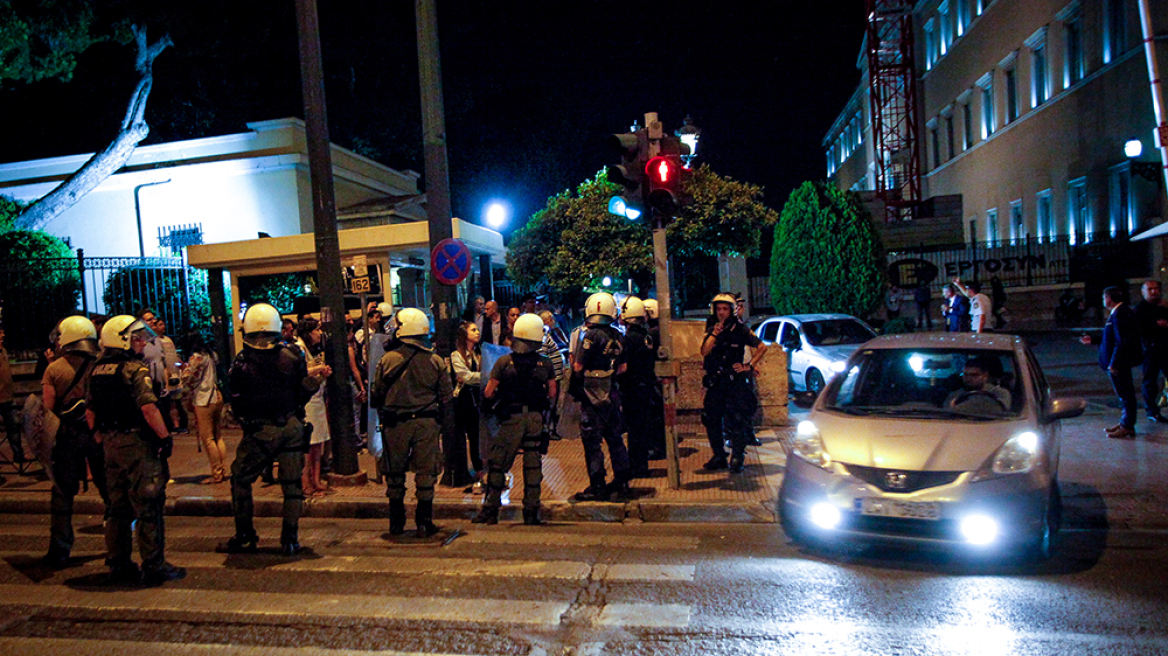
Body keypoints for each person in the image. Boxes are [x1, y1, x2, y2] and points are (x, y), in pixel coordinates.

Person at [86, 315, 185, 585]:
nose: (141, 342)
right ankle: (154, 565)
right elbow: (148, 408)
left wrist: (100, 437)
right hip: (137, 444)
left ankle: (119, 563)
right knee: (148, 504)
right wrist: (165, 437)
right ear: (122, 340)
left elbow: (90, 410)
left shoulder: (96, 369)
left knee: (117, 507)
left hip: (110, 443)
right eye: (136, 338)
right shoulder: (134, 369)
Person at [225, 303, 319, 556]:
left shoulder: (241, 363)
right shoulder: (294, 356)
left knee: (240, 479)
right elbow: (302, 393)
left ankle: (245, 535)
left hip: (260, 430)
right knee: (291, 486)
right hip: (291, 426)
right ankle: (290, 538)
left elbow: (236, 402)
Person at [370, 307, 454, 537]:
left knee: (394, 474)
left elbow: (376, 394)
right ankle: (424, 522)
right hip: (426, 424)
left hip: (395, 424)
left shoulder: (387, 360)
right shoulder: (436, 361)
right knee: (426, 475)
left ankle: (396, 523)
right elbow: (446, 397)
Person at [472, 313, 556, 525]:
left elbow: (489, 392)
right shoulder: (545, 364)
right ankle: (531, 512)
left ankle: (490, 510)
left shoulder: (503, 362)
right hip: (535, 418)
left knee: (499, 463)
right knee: (533, 465)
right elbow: (553, 393)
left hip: (511, 418)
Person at [40, 316, 107, 567]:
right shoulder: (100, 364)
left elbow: (48, 409)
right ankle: (118, 545)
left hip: (67, 436)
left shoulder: (54, 369)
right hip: (95, 433)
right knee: (108, 491)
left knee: (62, 494)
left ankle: (60, 550)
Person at [569, 292, 632, 501]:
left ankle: (598, 485)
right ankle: (622, 483)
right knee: (616, 439)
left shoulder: (589, 336)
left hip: (591, 394)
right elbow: (623, 368)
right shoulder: (619, 335)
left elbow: (577, 366)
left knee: (592, 441)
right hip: (612, 391)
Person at [700, 293, 767, 474]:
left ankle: (737, 457)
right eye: (719, 309)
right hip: (716, 380)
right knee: (711, 417)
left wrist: (749, 366)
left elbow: (762, 347)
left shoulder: (740, 329)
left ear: (731, 310)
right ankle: (719, 456)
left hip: (734, 380)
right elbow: (704, 351)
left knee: (737, 418)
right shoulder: (711, 326)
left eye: (725, 309)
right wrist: (714, 333)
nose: (722, 313)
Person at [1081, 287, 1143, 439]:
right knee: (1124, 393)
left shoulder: (1120, 314)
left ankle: (1127, 425)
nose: (1103, 300)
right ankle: (1124, 422)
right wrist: (1094, 340)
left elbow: (1121, 341)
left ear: (1109, 298)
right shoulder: (1118, 313)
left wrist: (1114, 363)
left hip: (1119, 364)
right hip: (1118, 362)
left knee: (1125, 394)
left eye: (1104, 297)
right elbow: (1110, 336)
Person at [618, 297, 658, 478]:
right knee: (643, 428)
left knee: (634, 430)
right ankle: (642, 464)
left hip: (632, 389)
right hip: (646, 387)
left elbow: (623, 366)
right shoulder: (647, 337)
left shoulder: (628, 339)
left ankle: (636, 467)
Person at [180, 331, 227, 485]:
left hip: (203, 399)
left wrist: (184, 371)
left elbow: (189, 378)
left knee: (208, 438)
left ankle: (217, 473)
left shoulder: (196, 357)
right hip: (216, 397)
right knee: (217, 436)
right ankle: (223, 469)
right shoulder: (212, 355)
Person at [294, 317, 334, 497]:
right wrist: (319, 369)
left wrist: (323, 372)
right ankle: (305, 483)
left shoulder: (312, 349)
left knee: (319, 443)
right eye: (316, 330)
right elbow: (300, 371)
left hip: (317, 399)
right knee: (309, 445)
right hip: (307, 402)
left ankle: (316, 480)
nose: (319, 333)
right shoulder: (298, 348)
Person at [451, 320, 483, 484]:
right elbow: (466, 377)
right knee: (465, 437)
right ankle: (468, 472)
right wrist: (484, 377)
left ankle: (479, 470)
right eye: (473, 330)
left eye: (477, 330)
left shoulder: (477, 354)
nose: (477, 332)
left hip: (476, 399)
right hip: (462, 400)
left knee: (477, 436)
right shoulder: (456, 355)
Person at [1134, 280, 1168, 424]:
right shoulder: (1139, 310)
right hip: (1150, 351)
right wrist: (1155, 325)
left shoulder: (1164, 307)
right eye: (1150, 289)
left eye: (1156, 289)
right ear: (1143, 292)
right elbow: (1138, 329)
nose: (1154, 292)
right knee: (1150, 382)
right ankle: (1152, 411)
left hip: (1165, 349)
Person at [944, 357, 1012, 415]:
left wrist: (959, 408)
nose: (968, 379)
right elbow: (947, 414)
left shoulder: (1000, 393)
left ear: (985, 375)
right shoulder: (955, 395)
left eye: (974, 375)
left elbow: (997, 410)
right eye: (965, 374)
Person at [154, 317, 188, 433]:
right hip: (163, 375)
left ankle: (176, 425)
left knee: (174, 402)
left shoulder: (168, 340)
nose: (162, 326)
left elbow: (173, 356)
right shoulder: (154, 342)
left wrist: (180, 365)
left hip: (173, 374)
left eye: (163, 324)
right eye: (160, 324)